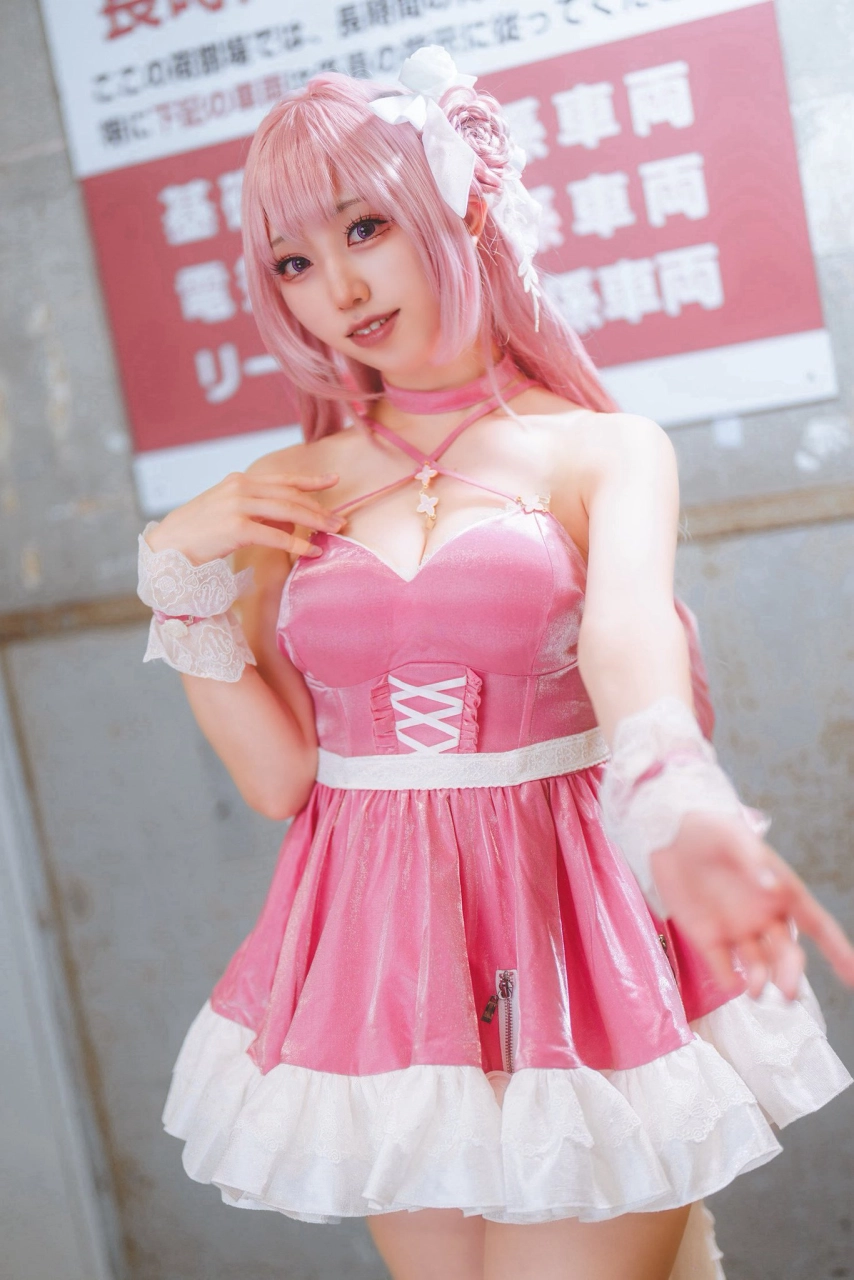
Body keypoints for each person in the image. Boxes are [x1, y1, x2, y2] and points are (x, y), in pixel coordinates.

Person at [138, 47, 854, 1280]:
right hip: (378, 957)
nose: (338, 287)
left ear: (459, 209)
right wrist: (173, 571)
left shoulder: (601, 450)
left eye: (365, 228)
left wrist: (673, 789)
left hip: (570, 927)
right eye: (294, 262)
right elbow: (279, 777)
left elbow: (625, 637)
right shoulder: (286, 488)